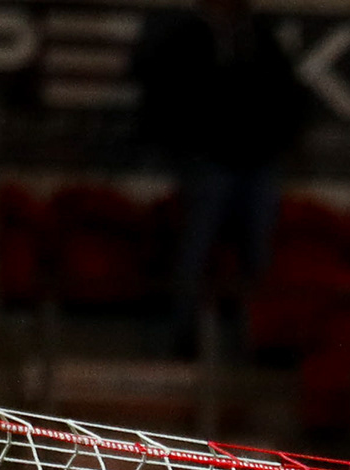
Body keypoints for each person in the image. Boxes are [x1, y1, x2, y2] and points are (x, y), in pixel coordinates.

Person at [133, 0, 311, 356]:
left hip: (257, 162)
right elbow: (166, 96)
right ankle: (181, 336)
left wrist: (279, 141)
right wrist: (189, 148)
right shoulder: (187, 38)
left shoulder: (260, 36)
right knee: (195, 252)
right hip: (209, 162)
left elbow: (286, 92)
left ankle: (255, 340)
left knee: (257, 257)